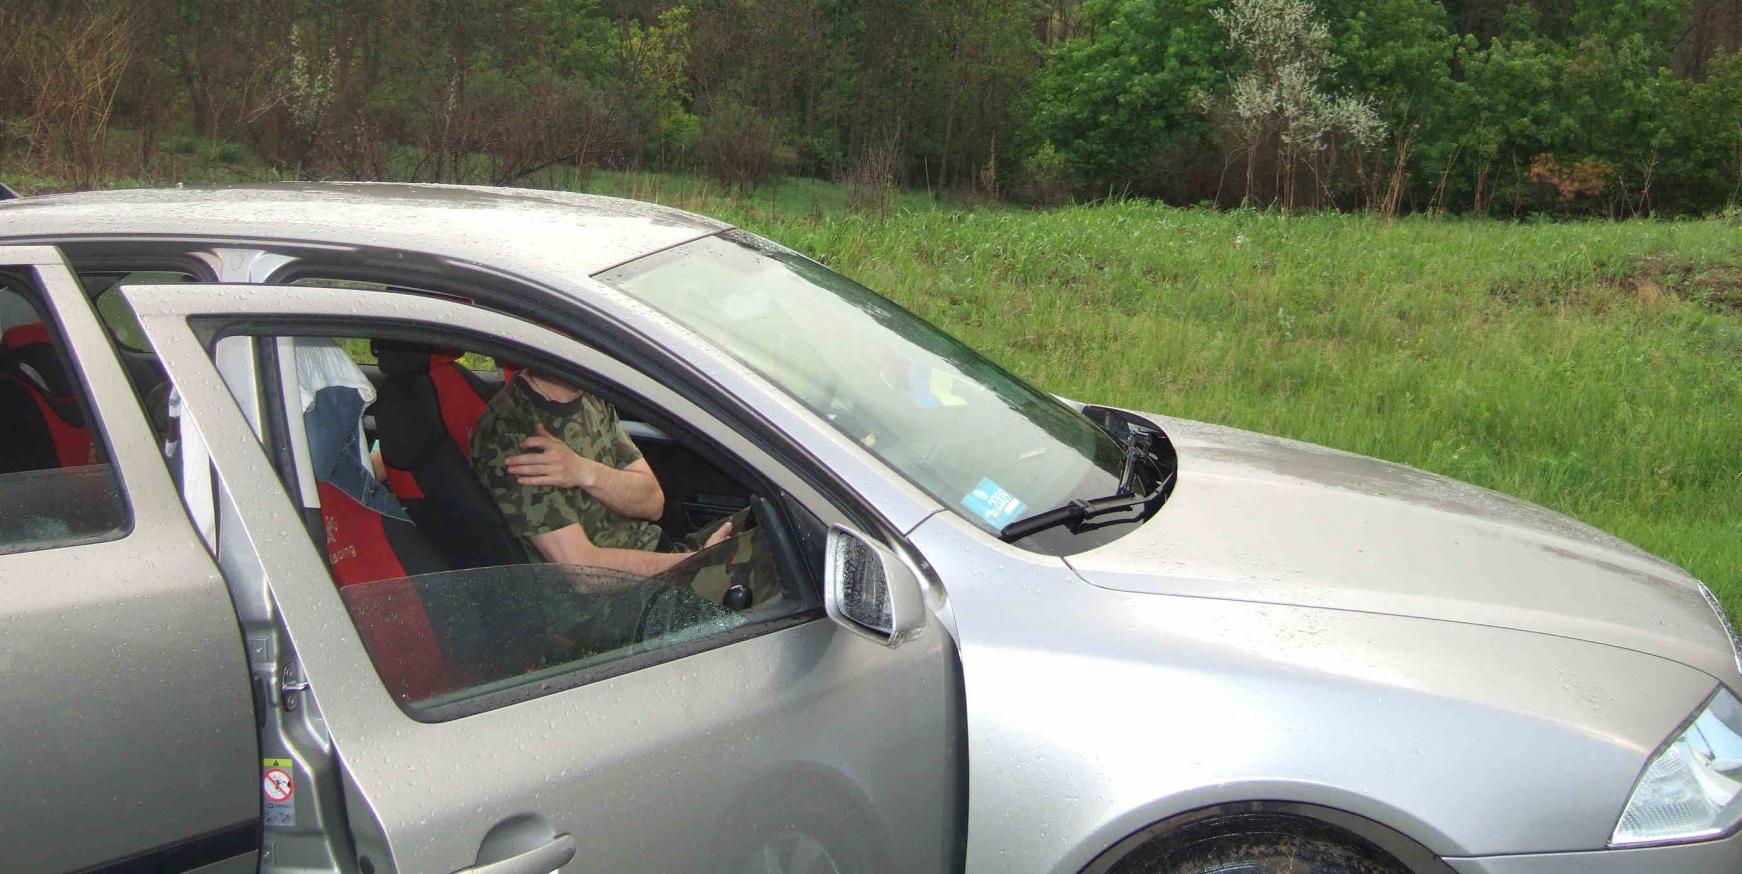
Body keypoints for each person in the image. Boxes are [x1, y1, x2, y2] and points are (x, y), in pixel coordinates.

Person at [471, 367, 776, 605]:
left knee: (775, 524)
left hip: (659, 561)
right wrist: (695, 562)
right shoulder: (514, 431)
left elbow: (652, 503)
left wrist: (585, 471)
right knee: (775, 570)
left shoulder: (591, 396)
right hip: (610, 607)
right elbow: (583, 572)